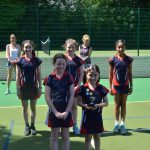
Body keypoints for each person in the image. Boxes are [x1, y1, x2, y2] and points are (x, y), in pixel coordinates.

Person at [44, 53, 74, 150]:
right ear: (54, 64)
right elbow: (47, 96)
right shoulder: (49, 78)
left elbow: (72, 96)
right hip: (54, 111)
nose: (60, 66)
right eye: (58, 64)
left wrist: (66, 111)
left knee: (65, 137)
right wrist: (55, 112)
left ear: (66, 64)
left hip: (66, 110)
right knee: (54, 137)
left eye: (63, 64)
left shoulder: (69, 77)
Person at [77, 64, 108, 150]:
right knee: (87, 138)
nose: (93, 77)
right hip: (87, 118)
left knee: (97, 137)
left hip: (97, 117)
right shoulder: (82, 88)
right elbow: (78, 102)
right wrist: (84, 105)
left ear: (98, 75)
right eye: (90, 75)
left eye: (95, 75)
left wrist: (98, 105)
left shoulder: (101, 88)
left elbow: (106, 103)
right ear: (86, 75)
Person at [16, 40, 42, 136]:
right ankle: (26, 126)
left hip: (34, 88)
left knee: (33, 107)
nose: (27, 49)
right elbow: (17, 76)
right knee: (25, 107)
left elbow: (39, 75)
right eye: (26, 47)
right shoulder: (20, 61)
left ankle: (32, 126)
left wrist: (40, 87)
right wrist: (17, 89)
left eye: (29, 47)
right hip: (23, 88)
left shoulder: (37, 60)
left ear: (32, 48)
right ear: (23, 48)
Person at [108, 39, 133, 135]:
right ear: (116, 48)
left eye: (122, 47)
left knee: (124, 104)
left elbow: (130, 73)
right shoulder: (112, 60)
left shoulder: (128, 60)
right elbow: (110, 74)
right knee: (117, 104)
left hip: (125, 86)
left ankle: (122, 124)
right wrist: (110, 87)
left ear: (125, 48)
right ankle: (116, 124)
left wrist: (131, 86)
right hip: (116, 86)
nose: (121, 49)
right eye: (119, 47)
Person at [64, 38, 84, 135]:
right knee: (63, 106)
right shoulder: (62, 58)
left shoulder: (78, 60)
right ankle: (65, 125)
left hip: (74, 88)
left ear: (75, 48)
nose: (70, 49)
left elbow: (81, 74)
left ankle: (75, 125)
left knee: (74, 106)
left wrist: (78, 85)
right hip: (63, 87)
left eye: (72, 47)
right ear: (65, 47)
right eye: (68, 47)